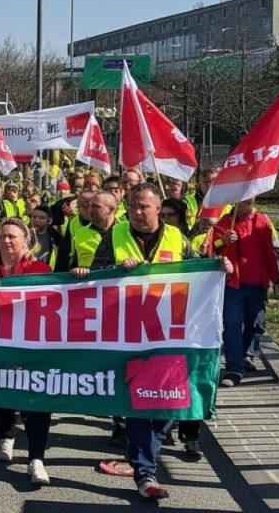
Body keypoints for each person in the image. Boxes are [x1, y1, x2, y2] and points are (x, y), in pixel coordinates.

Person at [78, 183, 232, 500]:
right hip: (129, 336)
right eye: (133, 206)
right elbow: (96, 274)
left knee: (171, 403)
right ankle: (145, 473)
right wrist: (116, 269)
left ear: (158, 207)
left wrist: (221, 268)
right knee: (137, 405)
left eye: (144, 206)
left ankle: (148, 453)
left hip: (170, 336)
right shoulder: (116, 234)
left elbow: (199, 270)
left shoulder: (177, 238)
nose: (137, 212)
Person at [0, 218, 53, 485]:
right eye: (3, 236)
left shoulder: (39, 268)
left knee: (36, 401)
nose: (7, 241)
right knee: (2, 393)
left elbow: (52, 298)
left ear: (26, 241)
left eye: (13, 237)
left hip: (31, 346)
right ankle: (5, 437)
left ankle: (36, 459)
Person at [212, 197, 279, 387]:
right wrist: (223, 241)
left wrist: (276, 279)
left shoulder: (261, 221)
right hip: (232, 285)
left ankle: (245, 353)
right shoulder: (225, 222)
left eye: (249, 201)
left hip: (257, 284)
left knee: (255, 322)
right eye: (242, 201)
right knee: (232, 324)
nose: (245, 205)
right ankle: (233, 369)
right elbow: (212, 248)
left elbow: (270, 251)